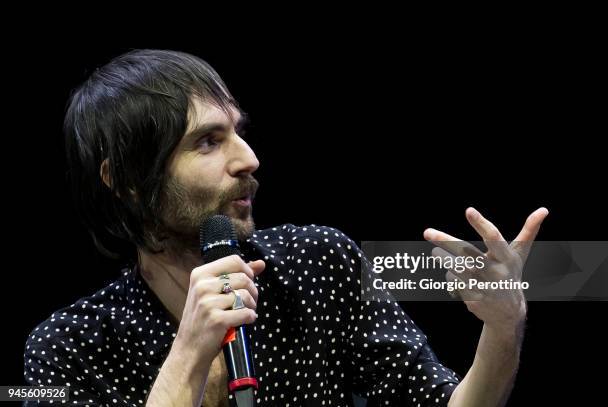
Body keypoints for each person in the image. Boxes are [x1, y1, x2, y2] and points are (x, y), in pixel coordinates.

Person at [23, 49, 548, 406]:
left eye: (239, 133)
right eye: (208, 141)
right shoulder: (70, 347)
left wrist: (503, 327)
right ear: (127, 180)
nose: (247, 158)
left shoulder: (321, 260)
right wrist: (187, 355)